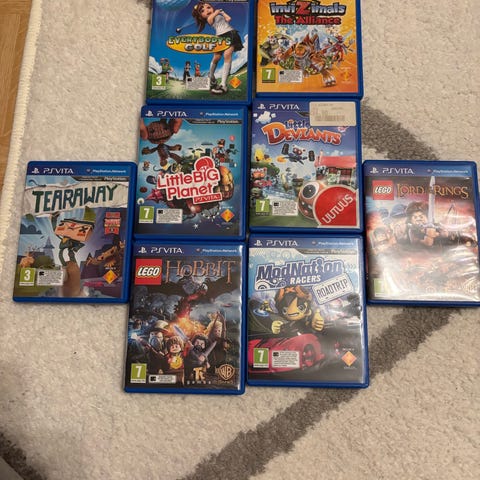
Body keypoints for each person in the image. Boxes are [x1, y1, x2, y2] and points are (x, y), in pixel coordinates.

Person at [192, 1, 243, 94]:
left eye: (208, 7)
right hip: (219, 37)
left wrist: (223, 13)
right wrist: (216, 12)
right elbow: (211, 18)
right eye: (202, 11)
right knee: (216, 57)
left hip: (230, 33)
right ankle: (211, 75)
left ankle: (223, 85)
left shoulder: (218, 15)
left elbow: (228, 19)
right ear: (201, 16)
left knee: (227, 55)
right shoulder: (209, 19)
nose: (207, 10)